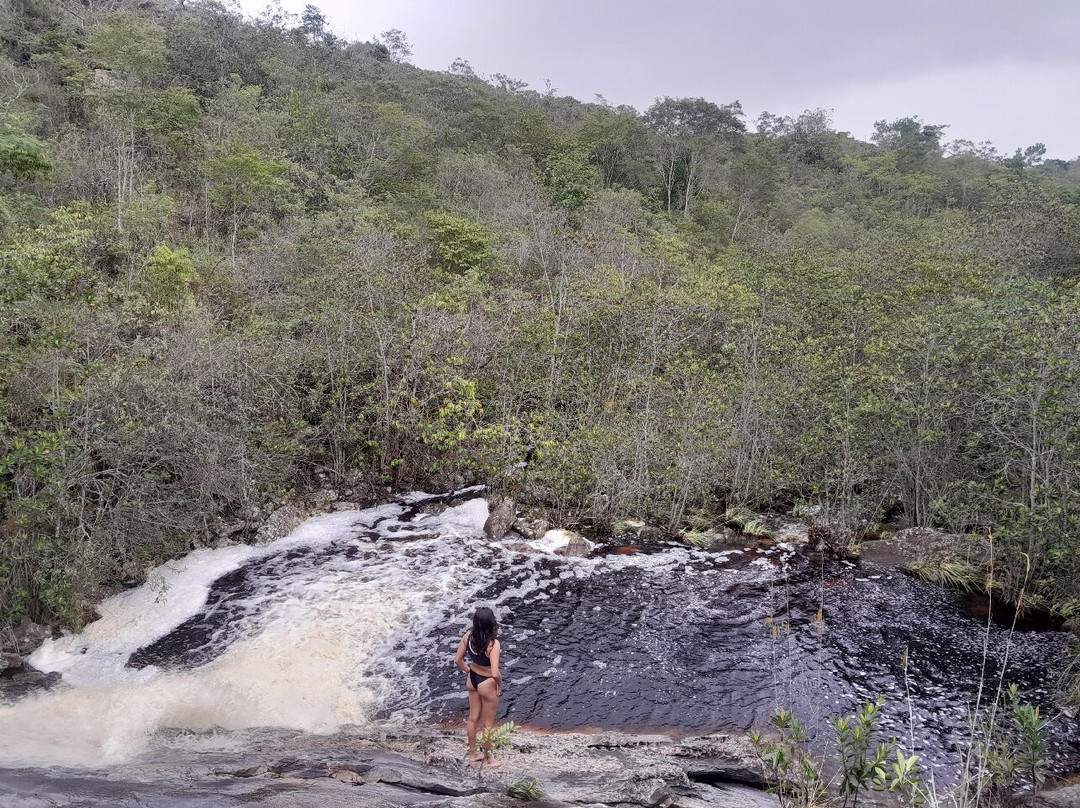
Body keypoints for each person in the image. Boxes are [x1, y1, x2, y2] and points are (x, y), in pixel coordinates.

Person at [453, 606, 502, 764]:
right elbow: (495, 673)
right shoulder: (493, 645)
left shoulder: (468, 636)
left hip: (472, 679)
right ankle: (488, 758)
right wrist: (499, 685)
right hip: (487, 683)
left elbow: (458, 660)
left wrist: (468, 671)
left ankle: (473, 753)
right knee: (487, 724)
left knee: (472, 719)